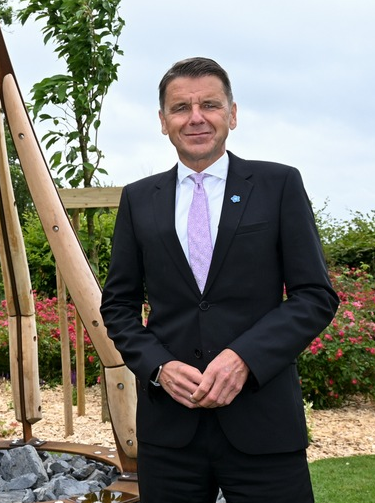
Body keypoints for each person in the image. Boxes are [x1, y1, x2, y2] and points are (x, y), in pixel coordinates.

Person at [100, 58, 339, 503]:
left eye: (209, 104)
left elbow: (315, 296)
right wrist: (158, 368)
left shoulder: (278, 184)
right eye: (181, 108)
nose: (195, 117)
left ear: (232, 114)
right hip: (170, 433)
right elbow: (118, 305)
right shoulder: (138, 199)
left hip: (263, 424)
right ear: (162, 121)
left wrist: (243, 359)